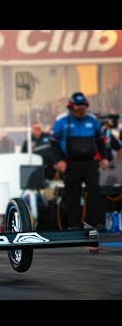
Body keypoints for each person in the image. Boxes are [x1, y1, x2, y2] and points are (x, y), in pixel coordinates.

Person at [50, 92, 109, 230]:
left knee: (94, 192)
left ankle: (94, 223)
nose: (80, 111)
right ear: (71, 107)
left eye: (83, 108)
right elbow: (53, 143)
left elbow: (101, 140)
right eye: (77, 108)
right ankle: (74, 224)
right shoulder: (62, 120)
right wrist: (59, 160)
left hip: (90, 162)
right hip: (70, 163)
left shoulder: (92, 119)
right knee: (72, 194)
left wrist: (104, 157)